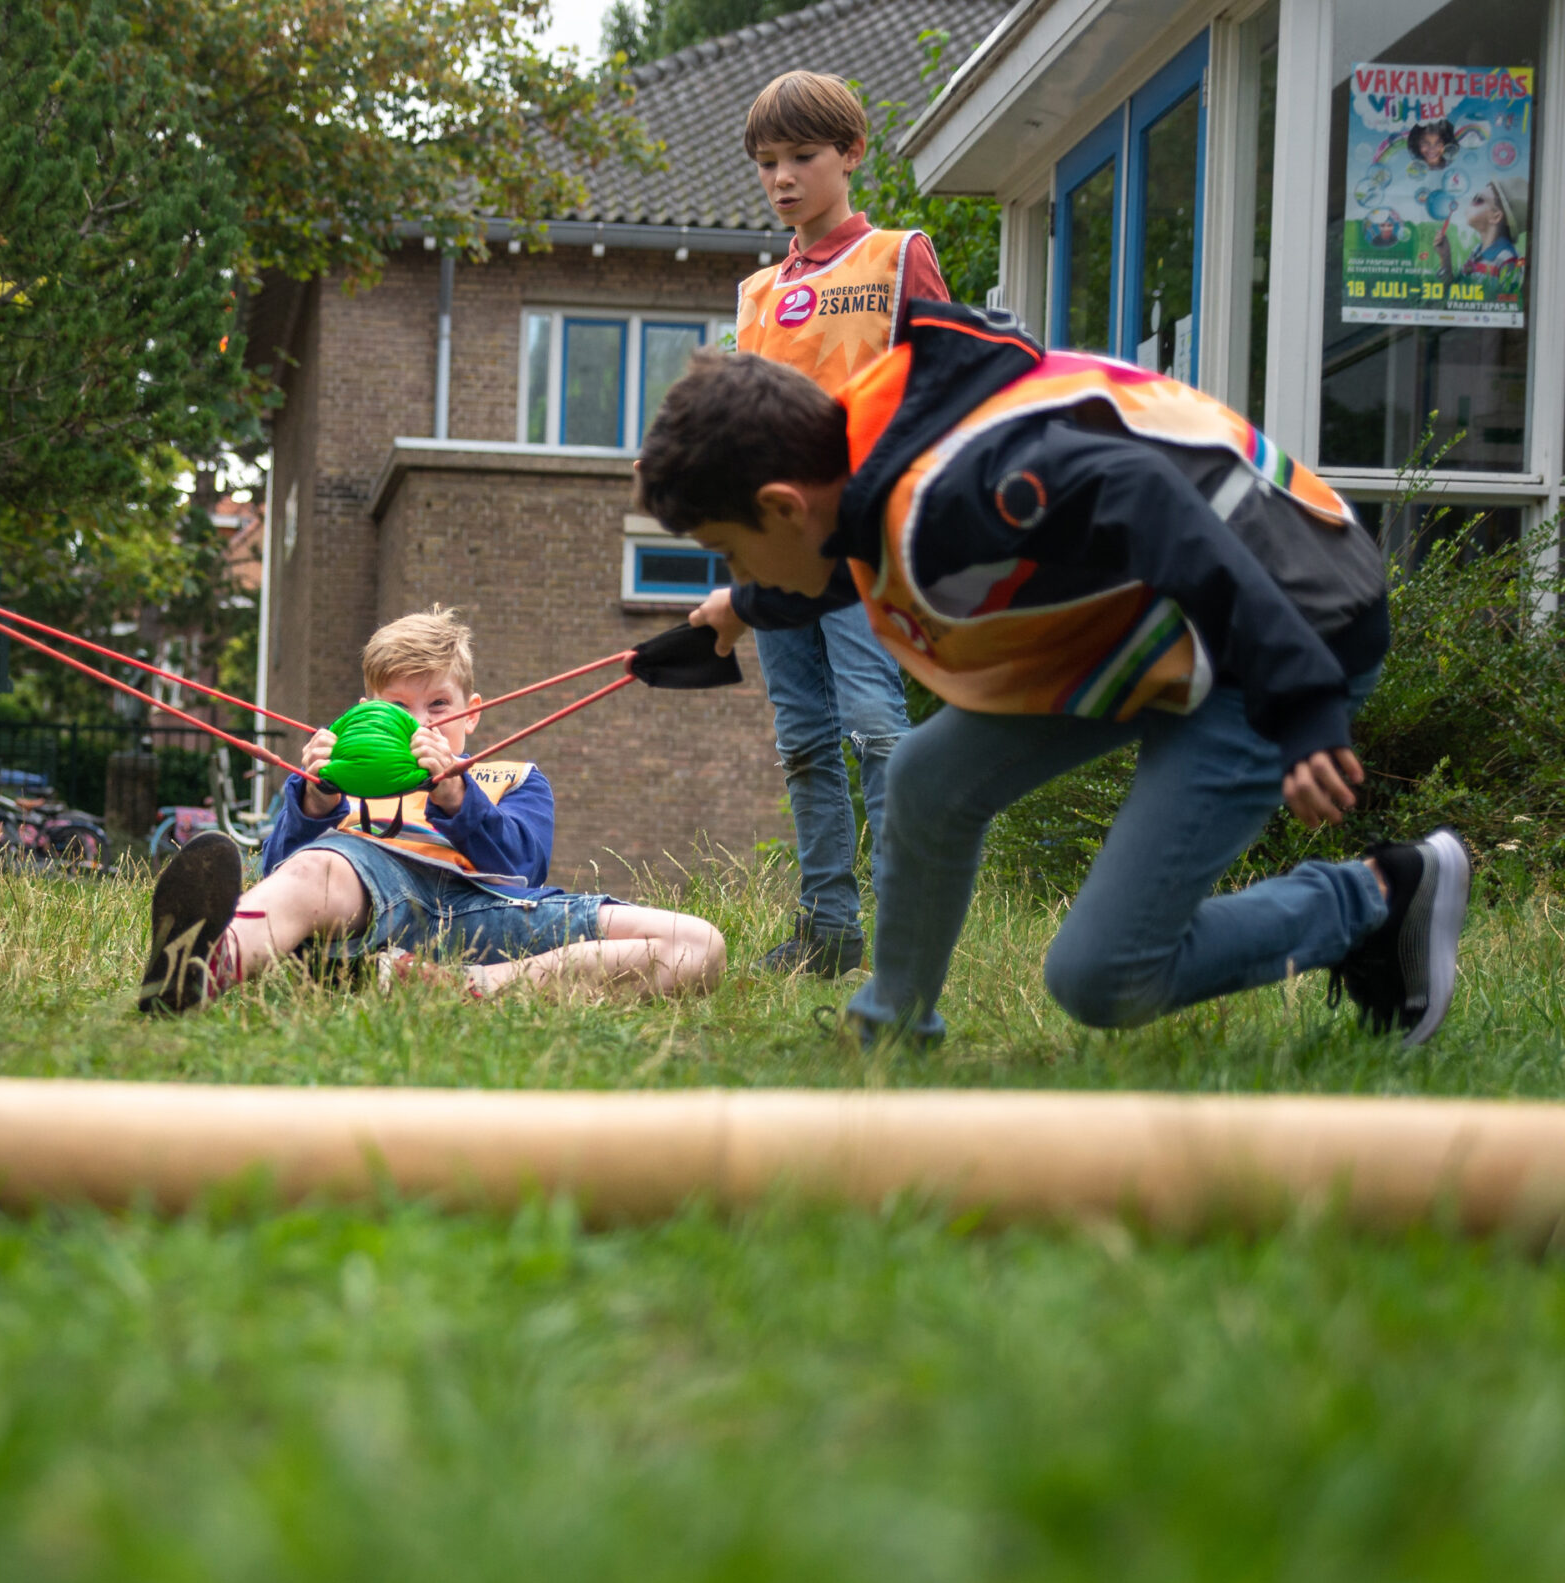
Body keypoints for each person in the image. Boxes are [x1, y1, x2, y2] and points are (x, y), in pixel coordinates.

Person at [637, 298, 1469, 1046]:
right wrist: (746, 605)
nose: (734, 565)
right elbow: (841, 549)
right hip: (1154, 626)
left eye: (728, 548)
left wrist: (1303, 700)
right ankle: (891, 1028)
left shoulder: (965, 491)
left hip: (1284, 628)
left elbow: (1147, 497)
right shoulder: (863, 455)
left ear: (782, 503)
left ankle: (1378, 898)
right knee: (928, 778)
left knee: (1103, 977)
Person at [136, 609, 723, 1011]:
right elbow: (284, 875)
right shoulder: (343, 782)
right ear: (368, 712)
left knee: (697, 944)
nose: (419, 724)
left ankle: (463, 986)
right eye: (398, 707)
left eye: (438, 704)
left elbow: (523, 872)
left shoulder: (513, 777)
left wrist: (456, 797)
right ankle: (199, 969)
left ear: (472, 713)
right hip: (374, 899)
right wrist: (314, 797)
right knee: (319, 868)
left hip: (489, 911)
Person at [721, 70, 951, 979]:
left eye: (803, 158)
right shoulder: (756, 292)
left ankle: (904, 927)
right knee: (804, 736)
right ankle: (827, 926)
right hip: (777, 550)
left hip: (864, 537)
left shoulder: (898, 257)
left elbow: (947, 380)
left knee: (873, 725)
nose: (783, 177)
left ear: (851, 155)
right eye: (767, 162)